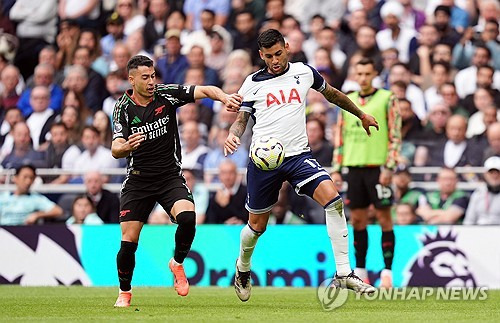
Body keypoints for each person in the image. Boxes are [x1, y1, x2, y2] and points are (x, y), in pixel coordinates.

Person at [224, 29, 378, 301]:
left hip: (297, 156)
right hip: (264, 162)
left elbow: (332, 94)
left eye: (278, 53)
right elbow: (241, 118)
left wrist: (361, 114)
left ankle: (344, 272)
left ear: (287, 47)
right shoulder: (252, 83)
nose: (274, 60)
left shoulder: (304, 72)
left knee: (334, 200)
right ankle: (243, 267)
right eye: (268, 56)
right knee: (257, 227)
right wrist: (234, 135)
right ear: (261, 55)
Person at [111, 55, 242, 307]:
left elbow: (203, 89)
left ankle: (177, 263)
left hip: (169, 176)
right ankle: (125, 292)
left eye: (152, 76)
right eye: (145, 77)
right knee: (129, 242)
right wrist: (125, 146)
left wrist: (224, 96)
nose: (151, 82)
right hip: (138, 181)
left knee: (187, 218)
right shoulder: (122, 108)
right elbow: (115, 147)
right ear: (131, 79)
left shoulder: (166, 94)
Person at [333, 57, 401, 288]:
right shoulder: (348, 101)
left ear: (374, 75)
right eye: (359, 74)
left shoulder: (387, 98)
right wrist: (337, 167)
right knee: (358, 220)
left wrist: (389, 166)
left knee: (384, 218)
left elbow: (395, 133)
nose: (362, 78)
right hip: (353, 167)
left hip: (377, 168)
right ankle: (360, 271)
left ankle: (387, 273)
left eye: (367, 74)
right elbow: (340, 136)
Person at [463, 156, 500, 225]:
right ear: (485, 174)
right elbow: (469, 220)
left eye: (498, 172)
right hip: (478, 232)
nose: (495, 176)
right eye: (491, 172)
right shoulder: (478, 193)